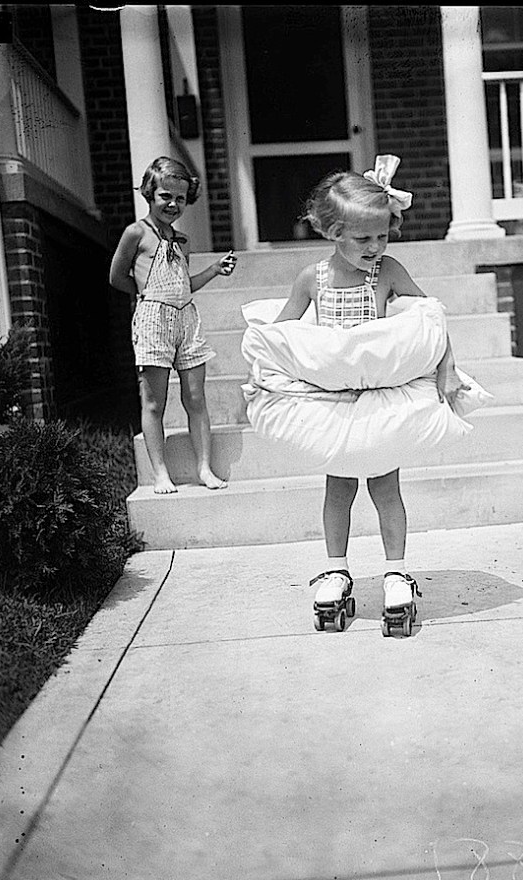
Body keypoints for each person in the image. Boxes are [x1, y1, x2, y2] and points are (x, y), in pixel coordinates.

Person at [270, 155, 468, 624]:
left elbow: (430, 319)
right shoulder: (312, 279)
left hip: (378, 396)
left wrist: (449, 366)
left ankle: (396, 572)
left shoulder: (390, 271)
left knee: (384, 485)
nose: (375, 246)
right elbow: (281, 333)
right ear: (332, 231)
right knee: (338, 487)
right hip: (335, 399)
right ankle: (336, 569)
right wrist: (272, 380)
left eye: (382, 235)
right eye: (363, 238)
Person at [110, 156, 236, 494]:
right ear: (150, 193)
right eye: (165, 195)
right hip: (153, 319)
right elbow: (116, 276)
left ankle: (204, 468)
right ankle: (160, 473)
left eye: (180, 198)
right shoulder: (136, 232)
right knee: (154, 401)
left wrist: (214, 270)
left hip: (186, 318)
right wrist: (146, 297)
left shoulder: (182, 241)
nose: (172, 204)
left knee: (195, 397)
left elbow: (184, 284)